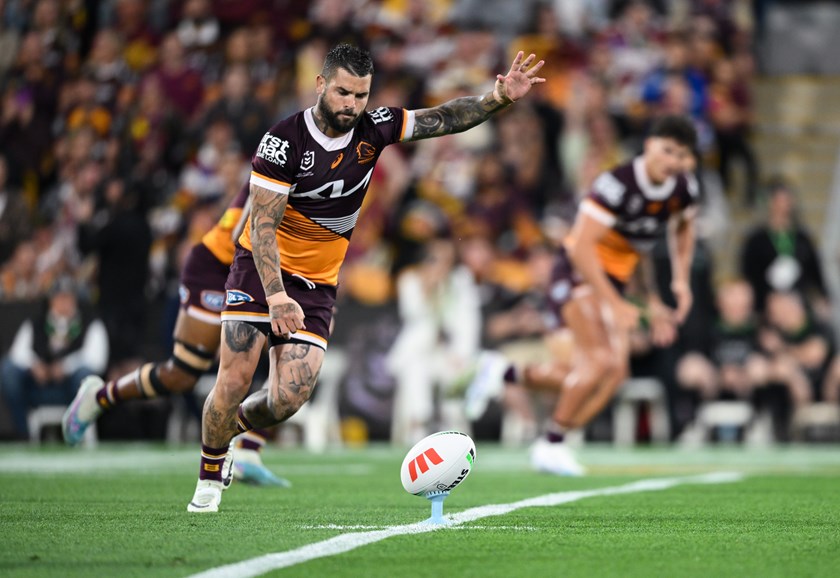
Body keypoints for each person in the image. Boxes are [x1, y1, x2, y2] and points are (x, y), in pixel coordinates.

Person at [183, 43, 545, 512]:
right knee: (233, 381)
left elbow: (444, 117)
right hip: (261, 268)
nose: (351, 105)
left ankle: (227, 428)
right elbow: (264, 226)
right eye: (342, 93)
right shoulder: (283, 141)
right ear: (320, 85)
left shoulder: (375, 128)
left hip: (316, 281)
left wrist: (498, 98)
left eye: (360, 95)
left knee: (290, 398)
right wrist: (275, 296)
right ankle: (209, 478)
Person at [467, 115, 699, 475]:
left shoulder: (683, 189)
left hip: (612, 281)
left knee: (612, 375)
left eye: (680, 155)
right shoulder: (617, 185)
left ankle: (506, 374)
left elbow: (671, 234)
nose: (672, 161)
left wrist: (671, 288)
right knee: (599, 362)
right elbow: (581, 249)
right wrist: (616, 303)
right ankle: (552, 442)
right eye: (666, 150)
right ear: (650, 145)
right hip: (577, 273)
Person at [62, 184, 289, 487]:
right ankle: (100, 397)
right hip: (219, 268)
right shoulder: (282, 163)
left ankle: (249, 450)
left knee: (292, 352)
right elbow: (242, 237)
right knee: (182, 374)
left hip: (263, 275)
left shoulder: (330, 174)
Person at [1, 281, 108, 440]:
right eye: (59, 298)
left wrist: (65, 367)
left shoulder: (91, 324)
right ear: (51, 300)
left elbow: (97, 360)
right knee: (8, 371)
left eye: (68, 298)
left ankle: (79, 430)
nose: (63, 303)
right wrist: (35, 365)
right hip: (39, 388)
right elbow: (17, 353)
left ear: (75, 300)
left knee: (86, 377)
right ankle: (23, 434)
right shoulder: (35, 324)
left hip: (71, 391)